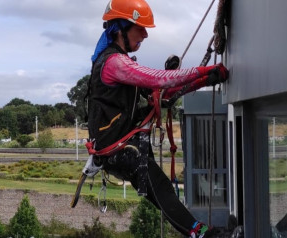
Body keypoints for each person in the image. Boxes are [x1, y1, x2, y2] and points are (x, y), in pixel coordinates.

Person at [86, 0, 230, 237]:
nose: (144, 34)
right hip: (119, 150)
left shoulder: (120, 61)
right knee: (162, 190)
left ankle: (201, 232)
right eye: (139, 28)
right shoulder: (113, 63)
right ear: (120, 28)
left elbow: (162, 94)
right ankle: (205, 234)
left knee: (162, 195)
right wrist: (202, 71)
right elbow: (158, 79)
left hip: (124, 146)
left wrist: (206, 79)